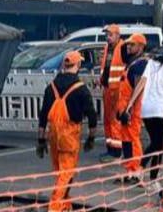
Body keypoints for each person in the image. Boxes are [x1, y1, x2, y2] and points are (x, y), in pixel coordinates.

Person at [123, 38, 163, 192]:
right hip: (162, 111)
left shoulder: (153, 63)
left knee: (156, 143)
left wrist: (131, 104)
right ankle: (149, 177)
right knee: (159, 144)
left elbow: (141, 83)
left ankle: (143, 171)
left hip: (146, 109)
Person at [38, 50, 97, 212]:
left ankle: (65, 205)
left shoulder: (51, 88)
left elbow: (43, 115)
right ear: (77, 65)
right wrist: (91, 138)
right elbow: (92, 116)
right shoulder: (81, 89)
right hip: (69, 136)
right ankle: (55, 207)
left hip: (53, 135)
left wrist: (41, 140)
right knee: (66, 174)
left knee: (60, 173)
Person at [115, 33, 149, 182]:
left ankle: (136, 170)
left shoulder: (140, 65)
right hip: (125, 109)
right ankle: (130, 169)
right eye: (128, 44)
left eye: (132, 45)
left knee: (133, 140)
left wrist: (129, 110)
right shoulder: (132, 63)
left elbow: (139, 89)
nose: (128, 47)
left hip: (132, 111)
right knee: (127, 141)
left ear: (141, 47)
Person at [98, 24, 126, 157]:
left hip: (117, 89)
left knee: (114, 120)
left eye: (110, 35)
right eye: (107, 35)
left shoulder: (123, 48)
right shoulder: (108, 48)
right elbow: (106, 68)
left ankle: (116, 150)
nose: (107, 38)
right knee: (108, 119)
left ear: (117, 35)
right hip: (108, 88)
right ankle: (110, 147)